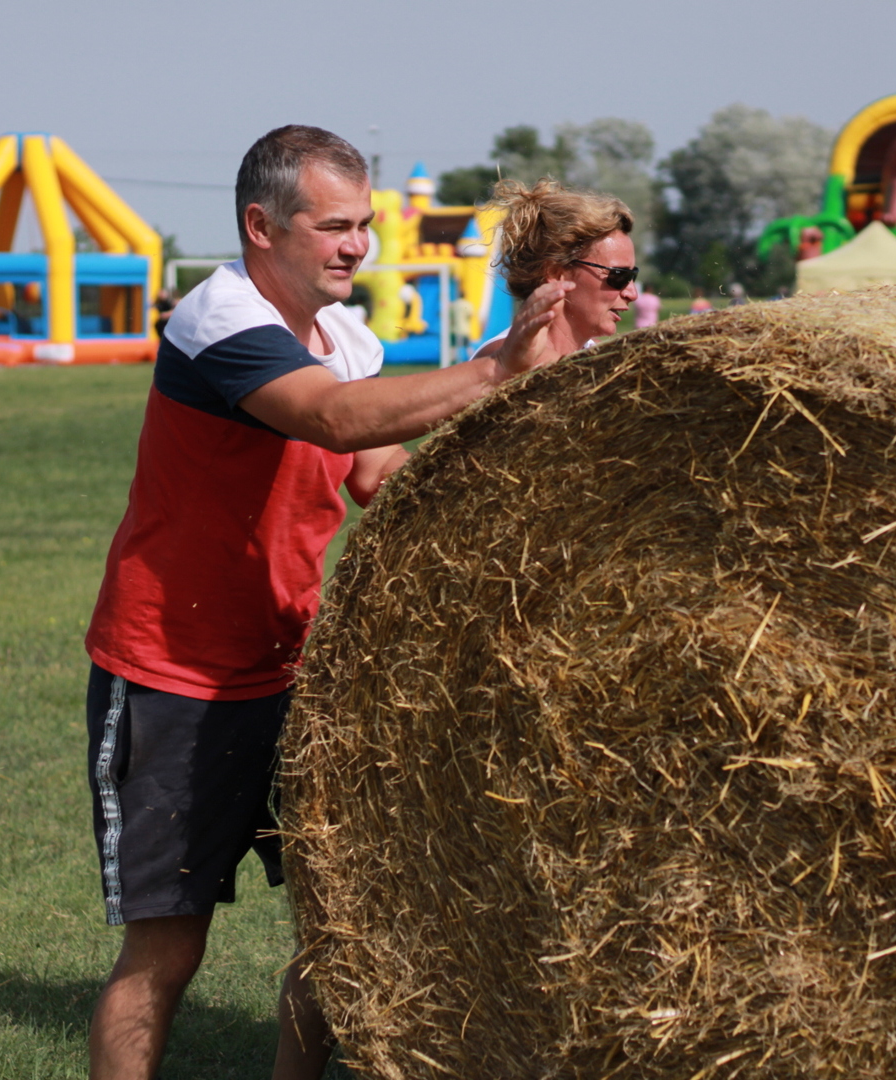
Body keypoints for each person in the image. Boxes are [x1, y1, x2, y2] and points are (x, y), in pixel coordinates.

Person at [80, 124, 567, 1080]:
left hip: (293, 668)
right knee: (167, 950)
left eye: (364, 225)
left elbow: (379, 473)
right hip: (175, 677)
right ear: (261, 227)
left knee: (341, 921)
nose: (358, 246)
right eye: (334, 226)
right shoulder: (217, 320)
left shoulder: (347, 336)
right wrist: (492, 369)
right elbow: (331, 419)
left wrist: (525, 470)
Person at [472, 178, 638, 363]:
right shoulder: (506, 359)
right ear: (555, 273)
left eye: (633, 276)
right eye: (619, 276)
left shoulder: (598, 356)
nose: (632, 294)